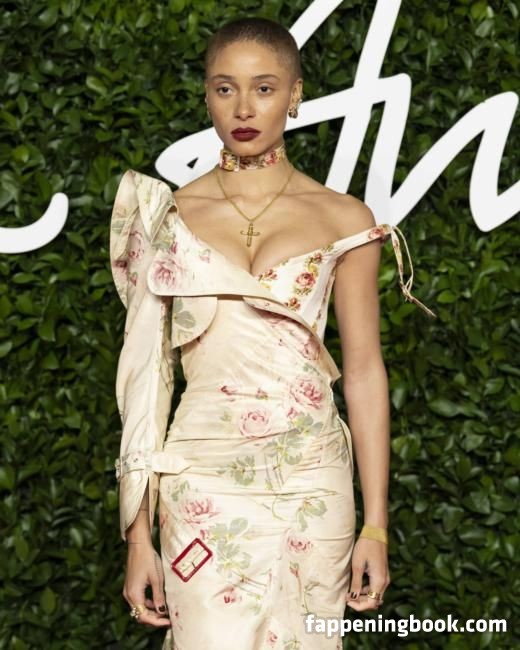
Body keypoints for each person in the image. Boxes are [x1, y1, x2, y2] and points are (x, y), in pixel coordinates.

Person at [109, 17, 436, 650]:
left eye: (263, 88)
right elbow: (146, 380)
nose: (244, 108)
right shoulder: (167, 218)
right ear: (207, 96)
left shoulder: (343, 218)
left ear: (294, 95)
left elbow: (364, 372)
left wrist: (376, 526)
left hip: (314, 482)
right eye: (224, 88)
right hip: (201, 484)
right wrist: (138, 535)